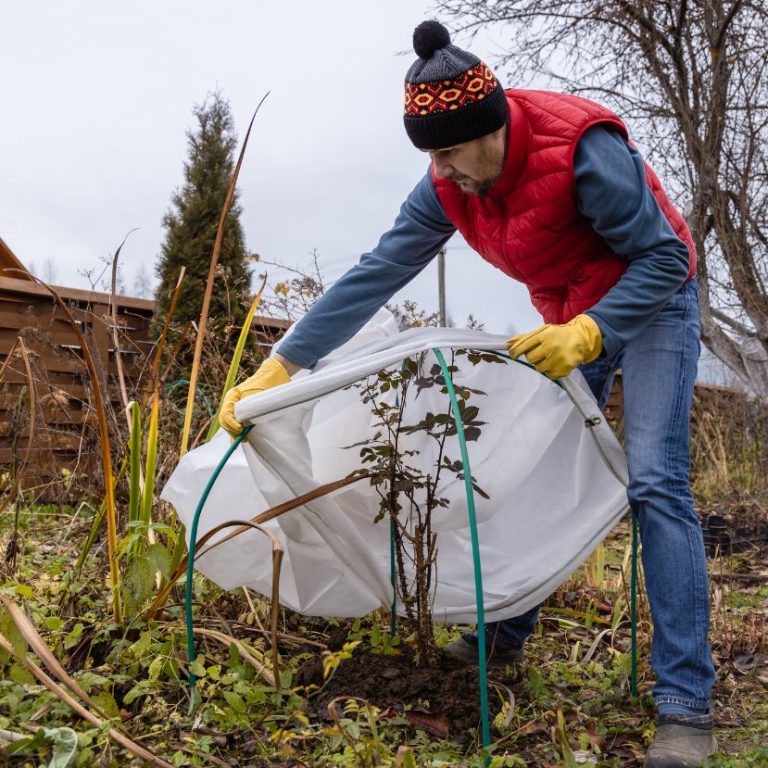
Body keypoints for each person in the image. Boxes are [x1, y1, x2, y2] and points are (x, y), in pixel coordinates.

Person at [220, 20, 716, 768]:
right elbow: (379, 270)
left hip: (653, 302)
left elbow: (665, 256)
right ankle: (502, 638)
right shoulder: (448, 186)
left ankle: (686, 707)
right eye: (430, 156)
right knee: (536, 473)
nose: (441, 171)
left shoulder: (582, 152)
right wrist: (284, 365)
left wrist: (593, 331)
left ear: (494, 129)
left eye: (449, 152)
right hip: (569, 310)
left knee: (654, 481)